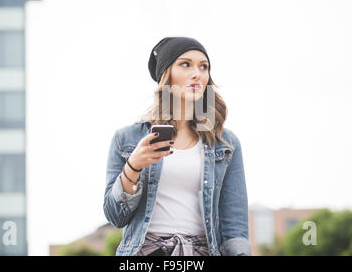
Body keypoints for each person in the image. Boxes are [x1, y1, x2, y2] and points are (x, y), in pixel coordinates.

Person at [103, 37, 252, 256]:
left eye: (204, 67)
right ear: (166, 75)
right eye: (186, 64)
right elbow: (116, 216)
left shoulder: (226, 144)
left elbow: (235, 227)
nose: (197, 73)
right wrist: (133, 166)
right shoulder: (126, 139)